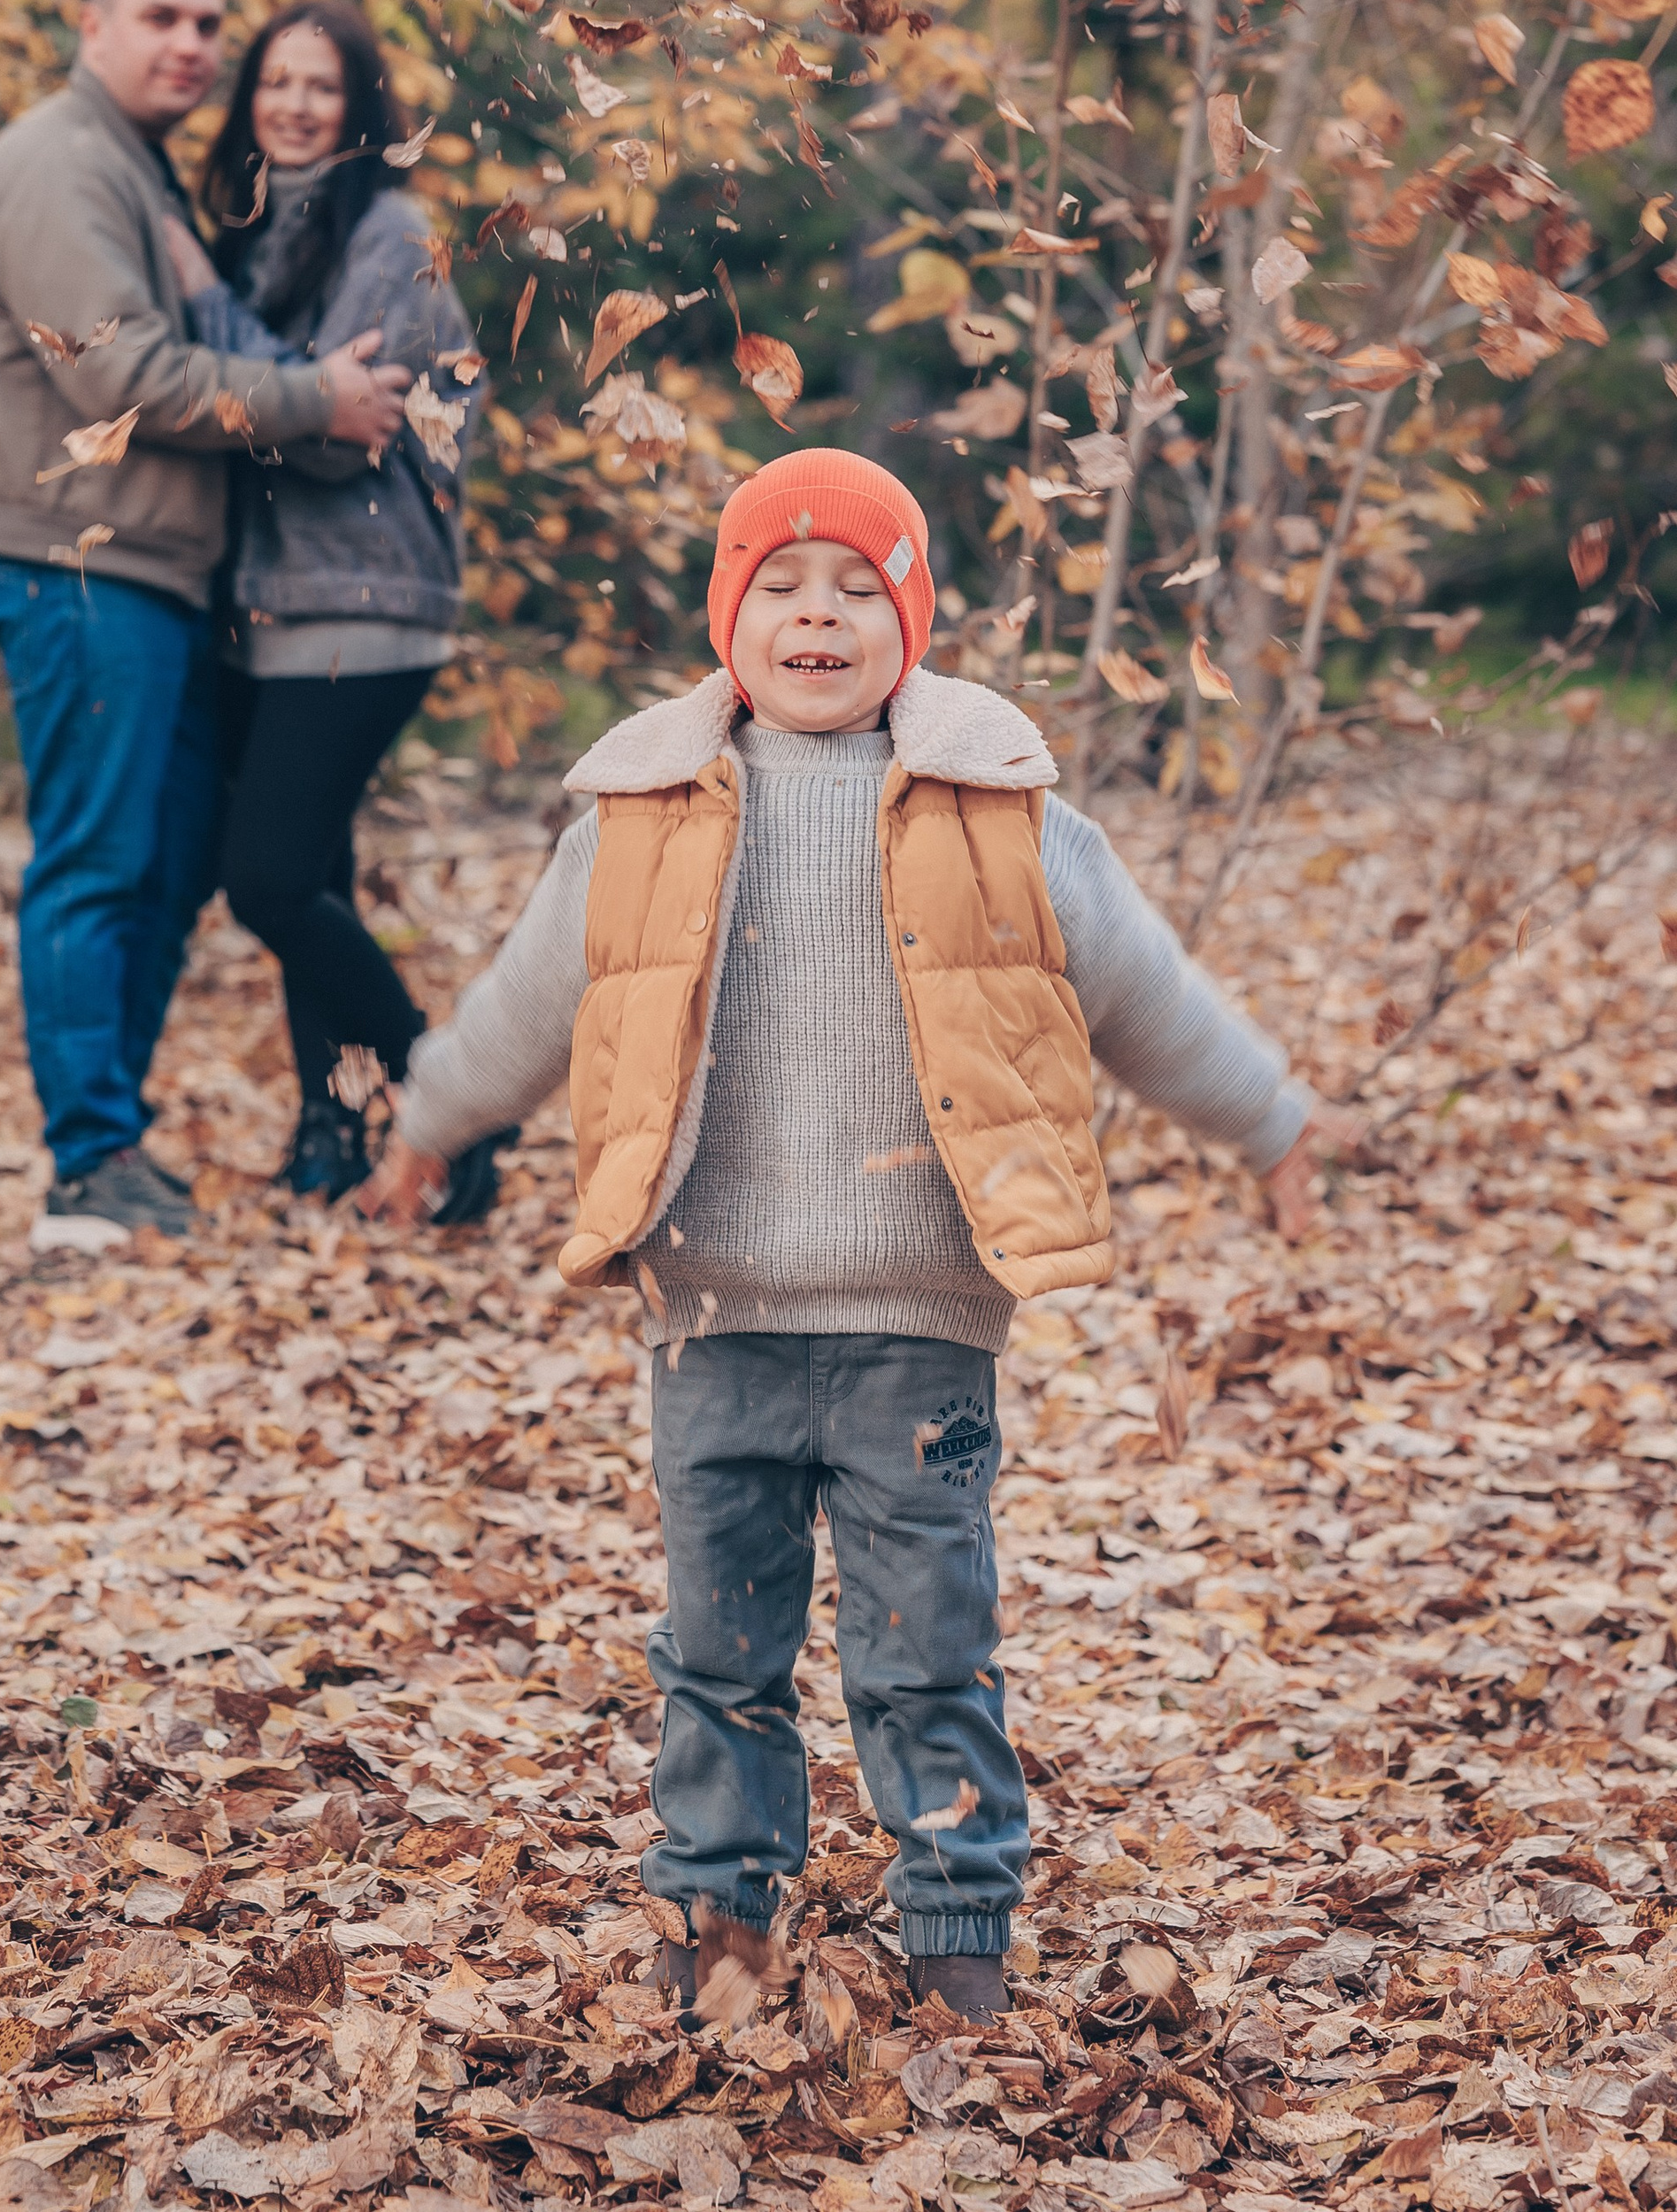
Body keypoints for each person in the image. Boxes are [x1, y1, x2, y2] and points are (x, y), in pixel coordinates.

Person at [362, 446, 1336, 2021]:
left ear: (914, 620)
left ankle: (958, 1931)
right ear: (727, 619)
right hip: (715, 1309)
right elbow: (539, 1003)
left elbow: (1148, 995)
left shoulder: (999, 812)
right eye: (779, 585)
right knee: (716, 1647)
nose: (817, 618)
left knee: (923, 1648)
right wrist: (427, 1124)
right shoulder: (642, 813)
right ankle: (717, 1913)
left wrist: (1272, 1116)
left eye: (857, 588)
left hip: (920, 1322)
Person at [0, 0, 412, 1256]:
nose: (192, 45)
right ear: (93, 28)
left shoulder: (133, 170)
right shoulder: (58, 167)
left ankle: (114, 1145)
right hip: (73, 561)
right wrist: (318, 398)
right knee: (99, 859)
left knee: (168, 863)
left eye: (208, 22)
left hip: (148, 571)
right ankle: (88, 1165)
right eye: (161, 18)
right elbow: (125, 377)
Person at [151, 0, 500, 1208]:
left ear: (361, 109)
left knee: (270, 880)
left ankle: (452, 1101)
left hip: (364, 597)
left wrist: (209, 314)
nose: (295, 106)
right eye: (275, 83)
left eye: (322, 86)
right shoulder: (250, 237)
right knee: (315, 882)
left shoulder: (390, 229)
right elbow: (286, 399)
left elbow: (341, 436)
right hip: (264, 612)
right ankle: (330, 1133)